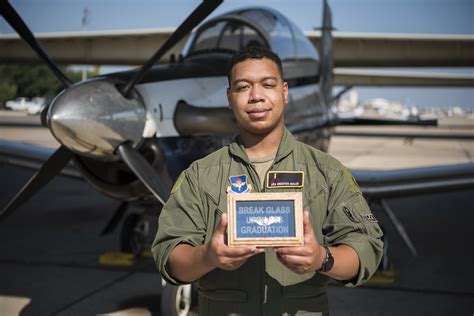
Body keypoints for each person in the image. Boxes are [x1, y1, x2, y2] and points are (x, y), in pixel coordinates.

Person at [152, 46, 383, 315]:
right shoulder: (199, 176)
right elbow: (169, 257)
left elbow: (366, 248)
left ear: (284, 92)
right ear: (229, 97)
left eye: (268, 84)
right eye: (243, 87)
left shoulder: (326, 172)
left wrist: (321, 257)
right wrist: (208, 256)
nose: (256, 96)